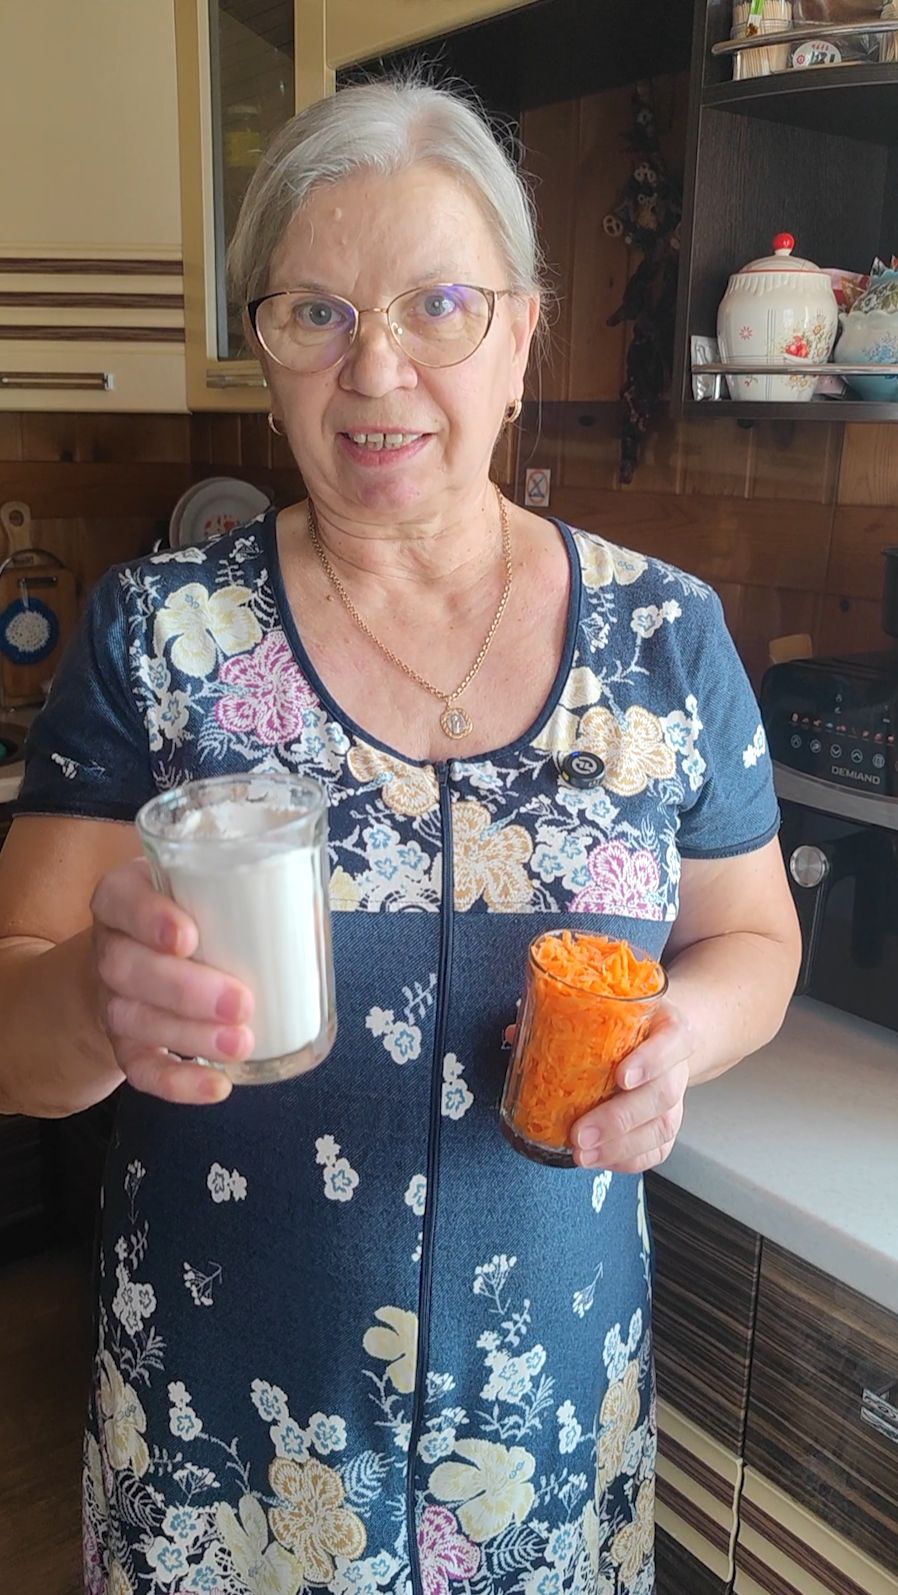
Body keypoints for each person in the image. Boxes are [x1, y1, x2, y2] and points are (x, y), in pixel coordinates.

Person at [0, 79, 800, 1595]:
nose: (376, 369)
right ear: (263, 348)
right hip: (222, 1455)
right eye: (316, 312)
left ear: (521, 334)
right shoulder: (159, 637)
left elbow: (753, 938)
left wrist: (676, 1042)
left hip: (543, 1443)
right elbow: (10, 1020)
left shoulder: (665, 639)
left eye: (439, 304)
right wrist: (94, 1005)